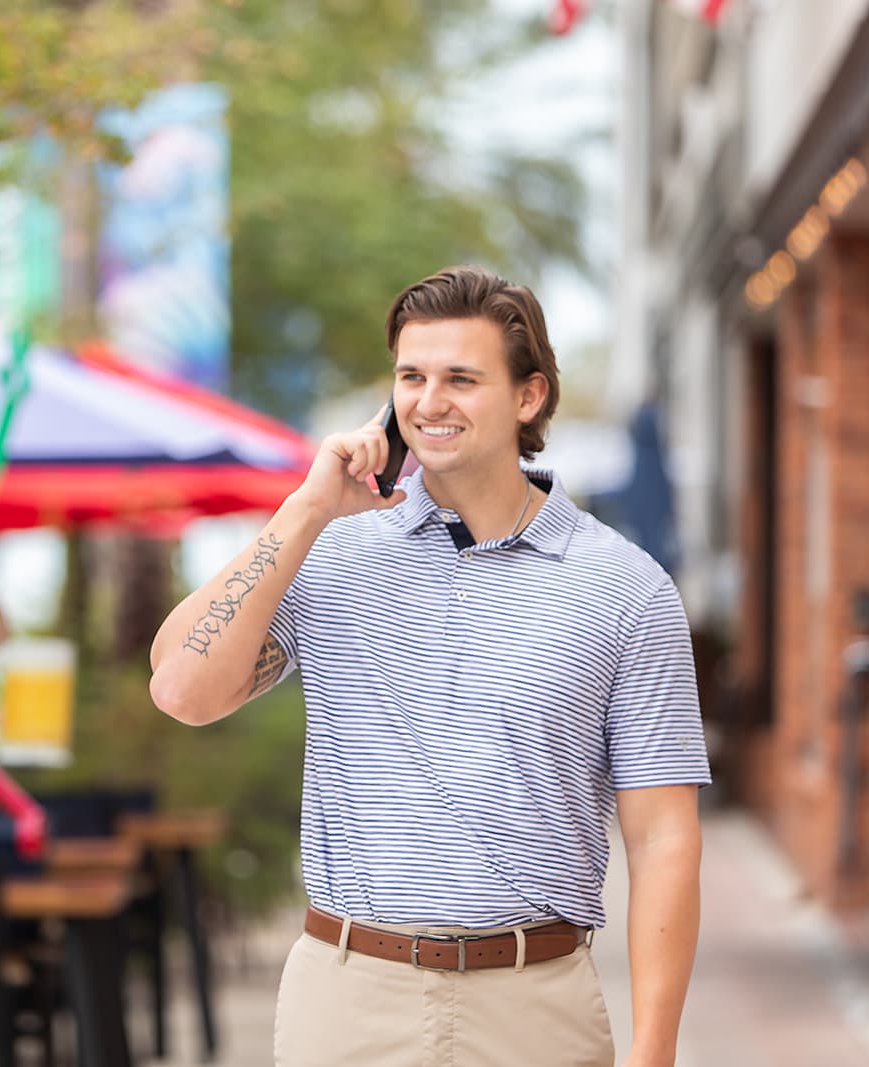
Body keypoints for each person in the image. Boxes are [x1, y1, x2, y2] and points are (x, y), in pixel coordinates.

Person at [149, 266, 709, 1066]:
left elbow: (663, 838)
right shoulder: (331, 551)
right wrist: (306, 509)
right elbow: (180, 689)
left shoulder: (625, 588)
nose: (428, 401)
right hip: (347, 998)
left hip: (533, 1002)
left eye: (461, 378)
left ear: (529, 397)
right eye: (411, 376)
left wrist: (654, 1053)